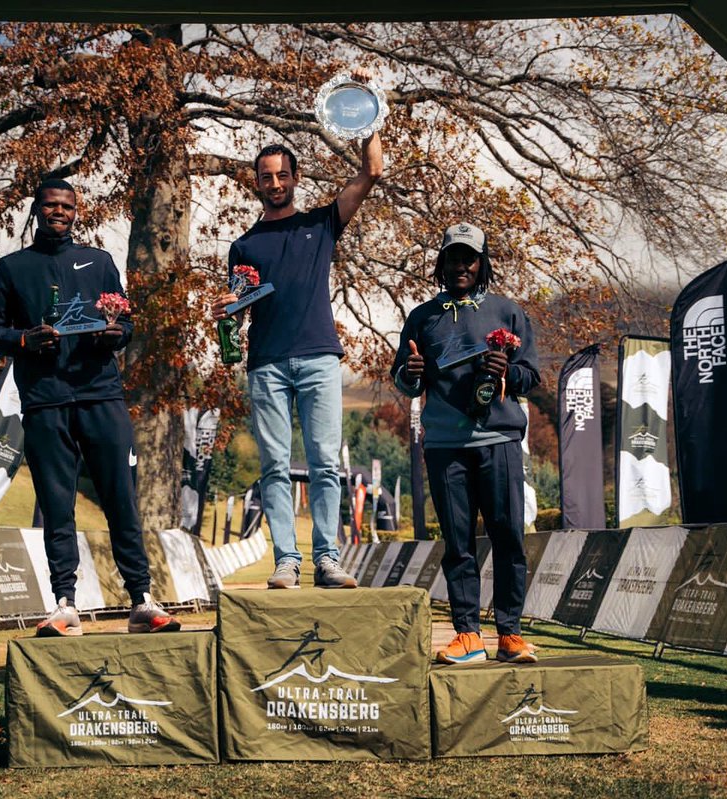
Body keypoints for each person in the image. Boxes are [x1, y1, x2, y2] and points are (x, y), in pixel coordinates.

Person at [0, 177, 179, 637]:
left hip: (101, 395)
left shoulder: (100, 262)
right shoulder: (13, 267)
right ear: (38, 210)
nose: (59, 212)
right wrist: (25, 338)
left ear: (76, 211)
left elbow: (125, 322)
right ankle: (65, 604)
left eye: (67, 206)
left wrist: (117, 335)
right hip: (46, 401)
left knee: (121, 499)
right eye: (50, 205)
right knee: (56, 505)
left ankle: (141, 601)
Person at [212, 79, 383, 590]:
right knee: (274, 465)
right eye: (266, 176)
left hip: (318, 359)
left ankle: (328, 559)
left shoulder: (322, 224)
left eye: (283, 174)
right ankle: (287, 561)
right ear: (257, 183)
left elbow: (372, 171)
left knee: (326, 462)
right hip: (265, 363)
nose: (275, 181)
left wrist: (368, 118)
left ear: (295, 178)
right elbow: (235, 316)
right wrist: (225, 311)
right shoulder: (243, 246)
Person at [390, 223, 540, 664]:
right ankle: (467, 635)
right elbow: (402, 378)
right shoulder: (422, 317)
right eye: (453, 258)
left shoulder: (508, 312)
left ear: (482, 263)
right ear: (441, 263)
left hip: (499, 440)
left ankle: (510, 634)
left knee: (508, 536)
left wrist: (507, 372)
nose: (460, 266)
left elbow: (531, 376)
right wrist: (411, 373)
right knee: (458, 544)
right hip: (443, 446)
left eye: (469, 258)